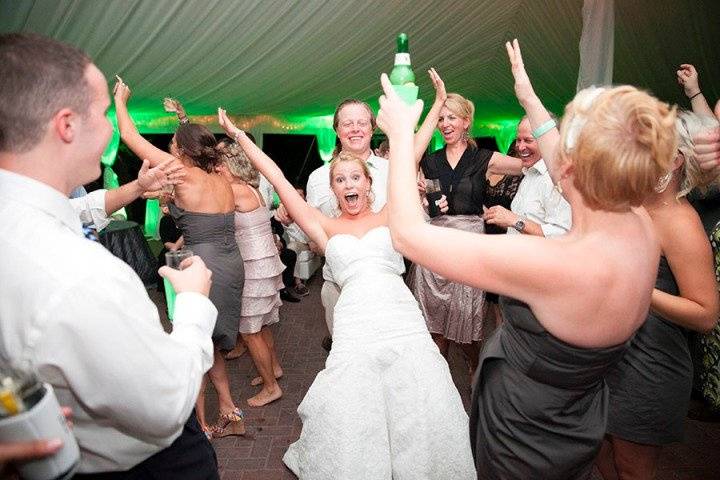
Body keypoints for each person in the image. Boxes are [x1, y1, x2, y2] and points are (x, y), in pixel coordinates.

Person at [384, 39, 678, 479]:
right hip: (580, 414)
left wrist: (401, 135)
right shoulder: (640, 225)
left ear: (575, 171)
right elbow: (563, 158)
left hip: (525, 426)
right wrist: (528, 95)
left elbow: (407, 235)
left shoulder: (554, 264)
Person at [0, 32, 219, 478]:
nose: (109, 127)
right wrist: (194, 304)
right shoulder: (81, 277)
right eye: (103, 113)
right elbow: (167, 403)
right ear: (67, 125)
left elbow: (72, 210)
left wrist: (137, 189)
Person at [218, 108, 476, 479]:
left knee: (418, 385)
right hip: (355, 318)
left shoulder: (392, 212)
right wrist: (240, 136)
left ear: (369, 183)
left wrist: (434, 107)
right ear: (334, 189)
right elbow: (276, 177)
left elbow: (411, 155)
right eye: (340, 179)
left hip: (400, 314)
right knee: (357, 393)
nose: (348, 184)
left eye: (355, 177)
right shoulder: (324, 226)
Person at [114, 79, 245, 438]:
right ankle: (231, 413)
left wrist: (121, 102)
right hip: (231, 263)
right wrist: (183, 118)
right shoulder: (219, 176)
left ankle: (199, 425)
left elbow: (129, 136)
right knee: (214, 342)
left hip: (200, 266)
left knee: (194, 344)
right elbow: (190, 142)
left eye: (173, 146)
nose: (169, 149)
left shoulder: (184, 174)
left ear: (182, 152)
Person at [596, 111, 719, 480]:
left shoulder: (681, 222)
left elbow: (706, 313)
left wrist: (643, 292)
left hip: (649, 365)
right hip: (610, 356)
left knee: (632, 470)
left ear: (675, 159)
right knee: (599, 453)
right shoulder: (634, 206)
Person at [406, 69, 496, 377]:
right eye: (441, 119)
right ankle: (438, 383)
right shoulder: (431, 161)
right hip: (435, 247)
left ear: (466, 121)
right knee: (433, 324)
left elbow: (527, 166)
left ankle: (473, 364)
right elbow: (432, 201)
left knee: (465, 321)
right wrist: (431, 200)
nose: (445, 124)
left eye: (451, 118)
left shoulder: (484, 158)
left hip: (469, 247)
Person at [216, 138, 284, 407]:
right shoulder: (250, 187)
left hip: (254, 267)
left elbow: (210, 212)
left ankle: (271, 387)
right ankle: (274, 368)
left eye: (220, 162)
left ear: (231, 164)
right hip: (263, 263)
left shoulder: (234, 190)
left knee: (249, 331)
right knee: (262, 324)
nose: (216, 167)